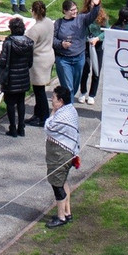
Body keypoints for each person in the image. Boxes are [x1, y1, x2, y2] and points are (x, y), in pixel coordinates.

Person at [43, 85, 80, 228]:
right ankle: (67, 212)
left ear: (61, 101)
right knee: (63, 181)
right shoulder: (70, 109)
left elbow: (48, 126)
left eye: (53, 98)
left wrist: (52, 112)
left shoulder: (62, 115)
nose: (51, 100)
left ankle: (61, 217)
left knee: (57, 185)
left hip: (60, 155)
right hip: (68, 153)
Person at [52, 0, 102, 95]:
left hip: (79, 58)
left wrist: (97, 6)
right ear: (65, 11)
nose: (75, 11)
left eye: (76, 9)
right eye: (72, 10)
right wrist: (61, 44)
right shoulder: (58, 23)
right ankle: (68, 107)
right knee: (68, 87)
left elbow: (93, 15)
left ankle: (67, 104)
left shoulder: (82, 19)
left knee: (74, 86)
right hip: (63, 60)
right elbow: (52, 40)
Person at [0, 17, 34, 137]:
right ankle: (21, 127)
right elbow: (30, 62)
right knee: (21, 102)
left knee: (10, 103)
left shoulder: (8, 43)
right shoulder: (29, 43)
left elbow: (2, 61)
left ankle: (13, 128)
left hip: (10, 79)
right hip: (23, 77)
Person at [24, 1, 55, 127]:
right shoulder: (48, 22)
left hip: (39, 62)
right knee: (39, 90)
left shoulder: (34, 30)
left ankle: (43, 117)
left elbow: (27, 47)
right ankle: (38, 114)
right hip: (48, 57)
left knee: (39, 91)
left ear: (34, 12)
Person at [77, 6, 107, 104]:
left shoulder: (103, 16)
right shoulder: (82, 15)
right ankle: (83, 92)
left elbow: (106, 31)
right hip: (85, 44)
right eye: (91, 3)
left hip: (97, 45)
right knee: (85, 68)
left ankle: (92, 95)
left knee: (96, 70)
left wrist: (97, 38)